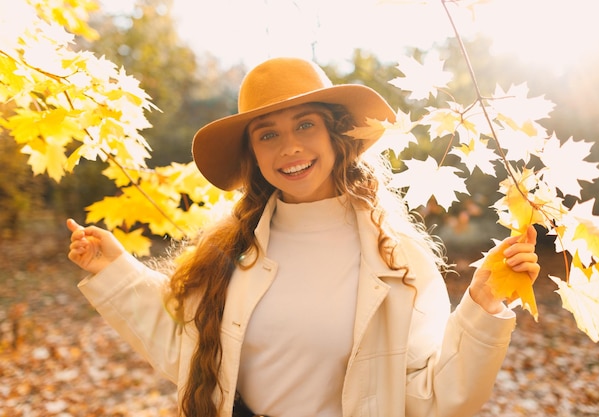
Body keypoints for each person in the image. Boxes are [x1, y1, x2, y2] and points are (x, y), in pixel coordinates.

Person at [67, 57, 539, 417]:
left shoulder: (400, 261)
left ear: (337, 136)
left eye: (305, 124)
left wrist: (481, 306)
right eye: (267, 134)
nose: (289, 146)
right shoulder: (230, 253)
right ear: (253, 153)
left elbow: (431, 398)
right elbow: (189, 350)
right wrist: (114, 268)